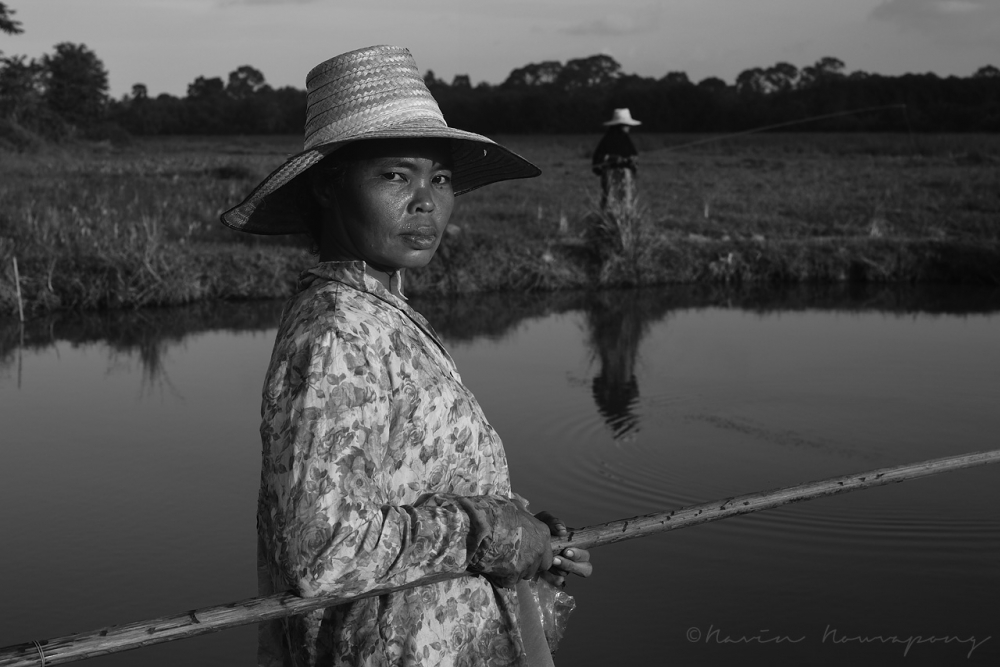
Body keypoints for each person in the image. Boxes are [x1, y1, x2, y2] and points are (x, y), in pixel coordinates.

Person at [220, 45, 593, 667]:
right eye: (396, 175)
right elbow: (325, 549)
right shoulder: (337, 332)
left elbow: (424, 489)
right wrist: (493, 533)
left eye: (439, 178)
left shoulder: (385, 318)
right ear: (326, 190)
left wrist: (531, 537)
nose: (426, 201)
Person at [591, 108, 641, 213]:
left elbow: (633, 158)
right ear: (619, 126)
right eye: (626, 125)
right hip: (611, 179)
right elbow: (598, 161)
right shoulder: (607, 141)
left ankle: (625, 223)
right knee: (610, 203)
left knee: (626, 204)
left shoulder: (627, 141)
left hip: (626, 181)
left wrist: (631, 160)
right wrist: (613, 159)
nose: (629, 128)